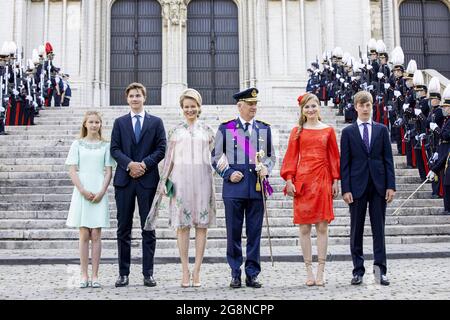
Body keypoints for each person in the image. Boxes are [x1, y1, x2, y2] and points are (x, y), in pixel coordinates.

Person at [144, 89, 216, 287]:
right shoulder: (175, 131)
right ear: (182, 108)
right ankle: (185, 270)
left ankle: (197, 271)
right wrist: (163, 182)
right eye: (186, 107)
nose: (190, 110)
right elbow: (169, 160)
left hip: (202, 180)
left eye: (193, 106)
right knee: (182, 227)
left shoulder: (208, 130)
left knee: (202, 226)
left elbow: (217, 157)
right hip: (180, 182)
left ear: (199, 107)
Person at [211, 87, 276, 289]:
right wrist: (228, 173)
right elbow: (215, 156)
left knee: (255, 233)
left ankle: (252, 273)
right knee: (234, 233)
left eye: (255, 104)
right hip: (234, 189)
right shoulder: (226, 128)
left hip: (256, 189)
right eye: (250, 104)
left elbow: (271, 157)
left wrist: (267, 168)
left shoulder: (264, 129)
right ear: (240, 106)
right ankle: (235, 272)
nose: (254, 107)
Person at [280, 93, 340, 286]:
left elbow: (334, 157)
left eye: (313, 106)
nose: (311, 110)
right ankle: (309, 271)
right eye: (307, 107)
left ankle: (321, 270)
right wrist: (289, 179)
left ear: (318, 107)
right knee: (304, 227)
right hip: (303, 180)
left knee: (322, 226)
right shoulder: (297, 131)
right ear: (302, 110)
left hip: (322, 179)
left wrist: (336, 180)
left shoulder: (328, 130)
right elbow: (290, 157)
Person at [110, 82, 166, 288]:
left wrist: (144, 164)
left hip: (147, 181)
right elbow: (114, 149)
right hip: (124, 181)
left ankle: (148, 273)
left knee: (148, 228)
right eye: (131, 96)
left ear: (144, 98)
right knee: (123, 228)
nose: (135, 99)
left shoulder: (156, 122)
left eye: (138, 96)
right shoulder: (120, 122)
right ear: (127, 99)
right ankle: (123, 273)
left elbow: (161, 148)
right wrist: (129, 165)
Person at [340, 90, 396, 286]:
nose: (365, 108)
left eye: (368, 105)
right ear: (356, 107)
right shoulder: (348, 132)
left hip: (379, 186)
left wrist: (391, 185)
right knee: (356, 230)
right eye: (362, 105)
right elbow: (344, 163)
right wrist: (345, 188)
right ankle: (358, 270)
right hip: (356, 187)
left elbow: (388, 160)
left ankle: (381, 269)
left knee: (378, 229)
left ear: (372, 107)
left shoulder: (382, 130)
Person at [65, 111, 115, 288]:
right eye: (91, 122)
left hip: (99, 189)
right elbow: (72, 170)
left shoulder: (105, 146)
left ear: (100, 125)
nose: (94, 125)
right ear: (85, 124)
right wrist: (82, 190)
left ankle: (95, 275)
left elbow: (109, 171)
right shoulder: (77, 144)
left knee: (96, 234)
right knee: (84, 233)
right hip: (82, 190)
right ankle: (84, 275)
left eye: (97, 122)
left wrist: (102, 191)